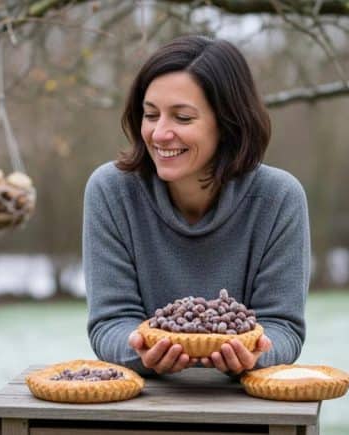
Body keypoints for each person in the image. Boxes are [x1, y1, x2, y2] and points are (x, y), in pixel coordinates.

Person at [83, 35, 310, 376]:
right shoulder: (111, 192)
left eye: (183, 118)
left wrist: (255, 355)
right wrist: (142, 350)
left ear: (228, 122)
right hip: (143, 406)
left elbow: (283, 328)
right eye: (150, 114)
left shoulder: (279, 199)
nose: (159, 134)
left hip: (244, 409)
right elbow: (110, 323)